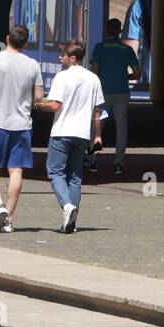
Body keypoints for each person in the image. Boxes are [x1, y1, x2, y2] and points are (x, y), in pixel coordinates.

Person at [0, 25, 45, 233]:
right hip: (22, 124)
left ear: (7, 39)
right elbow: (39, 97)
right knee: (16, 170)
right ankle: (9, 219)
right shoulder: (32, 64)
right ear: (25, 43)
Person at [37, 41, 104, 234]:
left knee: (55, 172)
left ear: (72, 57)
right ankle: (70, 223)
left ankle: (67, 206)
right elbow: (97, 111)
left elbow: (55, 105)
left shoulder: (62, 77)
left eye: (63, 55)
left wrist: (37, 105)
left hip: (62, 131)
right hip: (82, 133)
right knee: (75, 177)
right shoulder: (93, 79)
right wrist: (97, 135)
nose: (60, 57)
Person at [90, 18, 139, 174]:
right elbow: (137, 73)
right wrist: (126, 77)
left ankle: (92, 161)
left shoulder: (99, 48)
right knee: (121, 128)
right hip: (122, 92)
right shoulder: (127, 50)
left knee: (98, 126)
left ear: (106, 30)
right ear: (120, 32)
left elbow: (95, 70)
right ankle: (119, 163)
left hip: (103, 93)